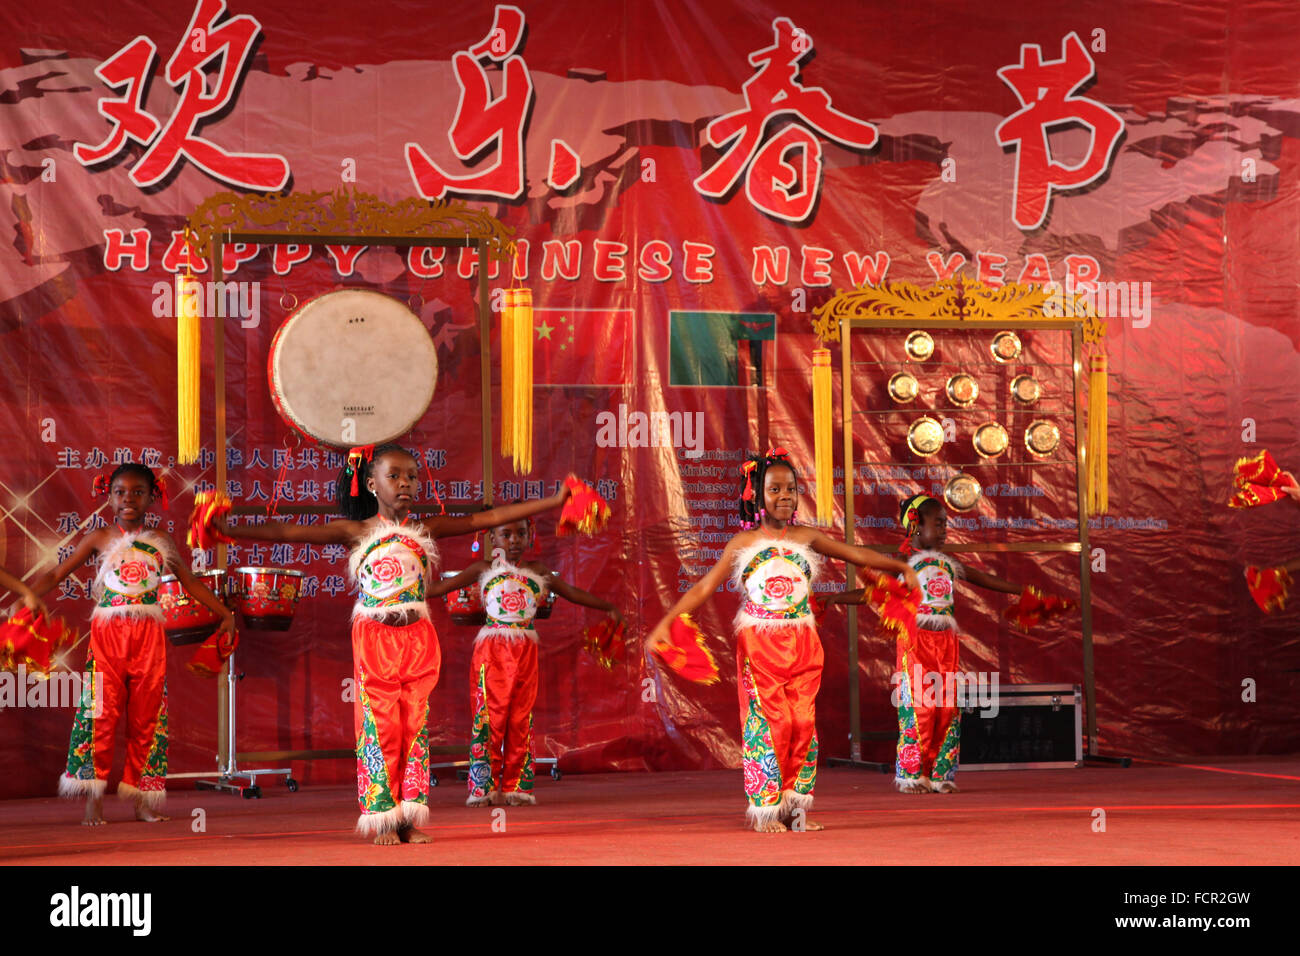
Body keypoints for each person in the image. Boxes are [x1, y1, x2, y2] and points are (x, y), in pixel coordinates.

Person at [207, 443, 575, 845]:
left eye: (412, 476)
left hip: (418, 637)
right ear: (371, 483)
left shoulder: (426, 529)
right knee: (380, 727)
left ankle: (407, 819)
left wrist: (554, 500)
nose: (405, 483)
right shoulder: (357, 531)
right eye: (395, 476)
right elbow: (289, 532)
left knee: (414, 726)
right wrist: (230, 530)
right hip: (375, 637)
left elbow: (486, 518)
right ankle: (383, 817)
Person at [646, 449, 919, 832]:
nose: (785, 496)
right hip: (761, 645)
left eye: (791, 488)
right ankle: (764, 809)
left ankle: (793, 807)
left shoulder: (807, 537)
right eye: (775, 489)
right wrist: (667, 622)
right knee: (770, 723)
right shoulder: (743, 543)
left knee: (802, 722)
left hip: (804, 641)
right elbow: (705, 586)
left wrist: (900, 565)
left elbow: (855, 554)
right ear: (756, 496)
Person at [30, 463, 233, 825]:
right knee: (99, 713)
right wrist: (25, 596)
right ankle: (93, 797)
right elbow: (57, 573)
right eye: (121, 492)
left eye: (138, 492)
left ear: (152, 497)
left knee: (148, 716)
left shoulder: (161, 541)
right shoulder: (99, 538)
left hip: (149, 636)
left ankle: (142, 800)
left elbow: (190, 583)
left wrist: (224, 612)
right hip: (107, 635)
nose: (129, 499)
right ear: (109, 497)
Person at [826, 493, 1022, 794]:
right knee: (919, 706)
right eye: (939, 524)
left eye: (946, 525)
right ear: (916, 528)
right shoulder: (905, 564)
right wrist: (834, 597)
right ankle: (911, 774)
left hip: (946, 643)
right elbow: (873, 594)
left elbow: (983, 579)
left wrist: (1021, 589)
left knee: (947, 707)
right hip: (916, 642)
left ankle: (941, 773)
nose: (945, 530)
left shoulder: (948, 564)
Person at [433, 511, 620, 807]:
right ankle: (483, 787)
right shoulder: (482, 568)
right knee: (488, 718)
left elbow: (571, 592)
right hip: (491, 651)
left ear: (529, 535)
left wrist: (607, 606)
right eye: (506, 535)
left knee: (521, 717)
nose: (514, 541)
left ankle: (517, 785)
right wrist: (399, 594)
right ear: (491, 538)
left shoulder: (539, 571)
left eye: (520, 534)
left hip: (525, 650)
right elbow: (440, 589)